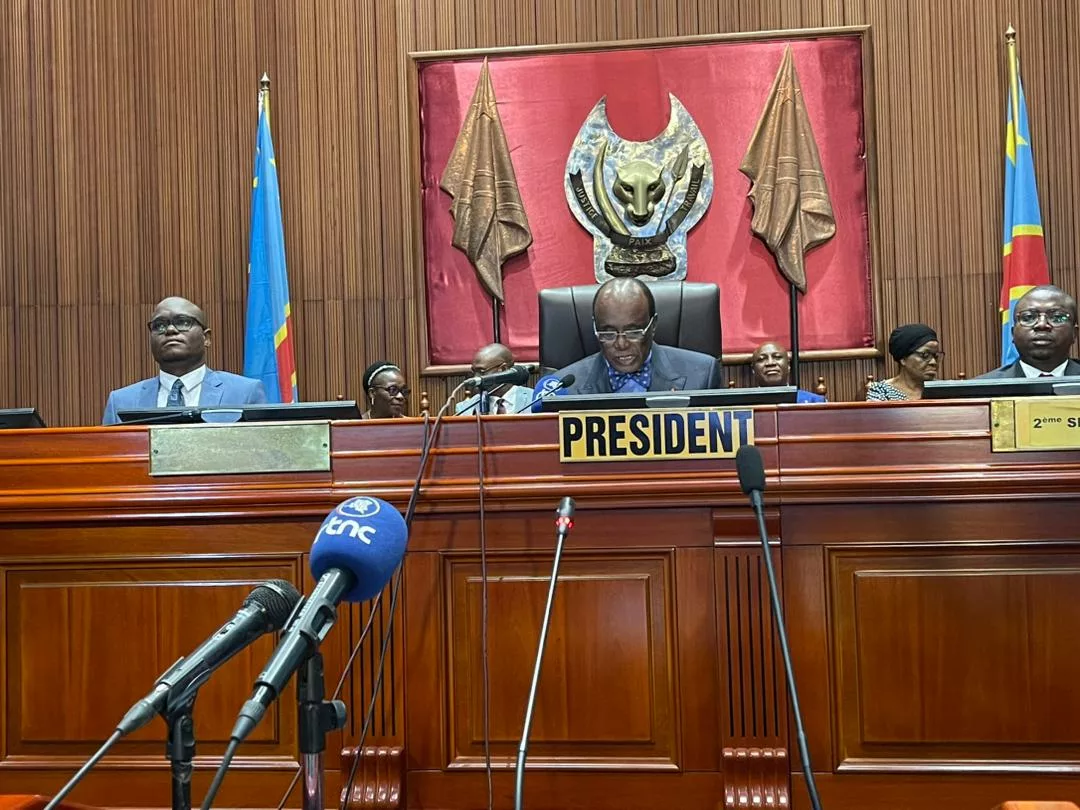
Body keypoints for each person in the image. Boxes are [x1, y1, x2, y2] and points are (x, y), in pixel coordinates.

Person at [102, 297, 266, 425]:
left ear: (206, 338)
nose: (170, 330)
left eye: (183, 322)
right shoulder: (121, 402)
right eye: (159, 325)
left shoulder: (244, 393)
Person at [554, 277, 722, 394]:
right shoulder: (564, 387)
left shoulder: (702, 376)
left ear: (653, 325)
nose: (621, 344)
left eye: (633, 332)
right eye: (608, 333)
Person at [977, 285, 1080, 378]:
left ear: (1074, 333)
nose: (1042, 325)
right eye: (1028, 317)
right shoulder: (980, 391)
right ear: (1013, 334)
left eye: (1057, 317)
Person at [866, 324, 941, 401]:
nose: (933, 362)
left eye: (935, 356)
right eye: (925, 355)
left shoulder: (943, 389)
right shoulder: (881, 392)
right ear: (903, 359)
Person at [455, 343, 534, 415]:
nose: (476, 377)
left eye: (481, 372)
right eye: (474, 372)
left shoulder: (534, 399)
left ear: (503, 369)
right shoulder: (465, 408)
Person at [750, 341, 826, 403]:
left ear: (788, 365)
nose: (770, 363)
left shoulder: (813, 401)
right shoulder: (743, 405)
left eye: (777, 357)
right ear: (753, 369)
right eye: (762, 359)